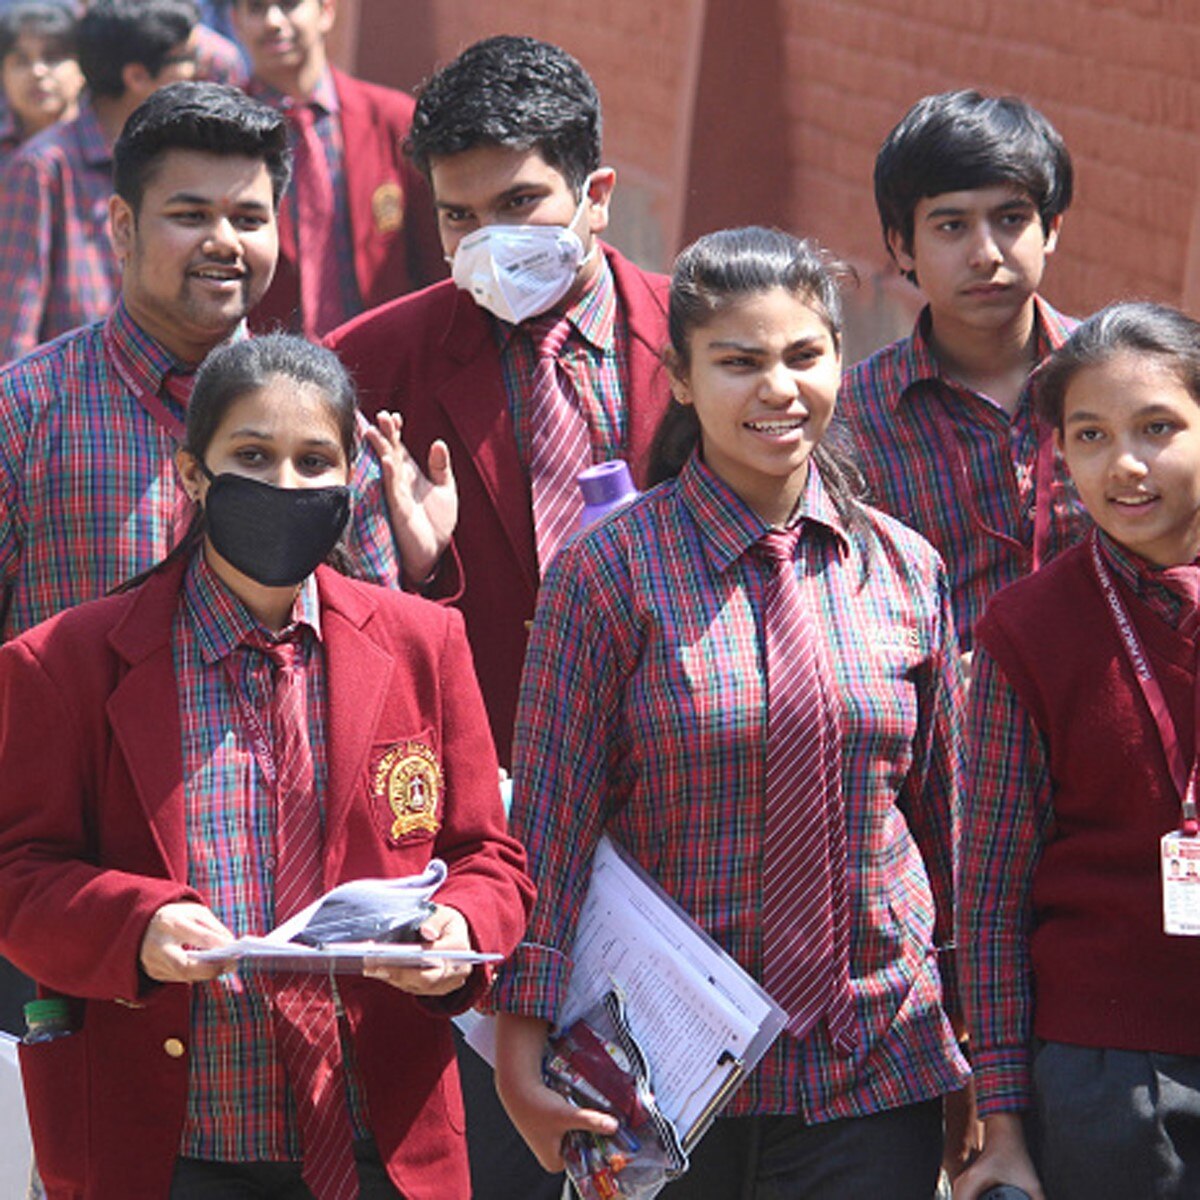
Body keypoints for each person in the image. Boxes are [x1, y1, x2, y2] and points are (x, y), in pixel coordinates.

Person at [492, 226, 969, 1199]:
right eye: (739, 362)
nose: (778, 389)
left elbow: (951, 832)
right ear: (679, 376)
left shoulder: (907, 571)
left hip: (876, 1066)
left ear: (839, 358)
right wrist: (520, 1049)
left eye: (804, 355)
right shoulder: (610, 575)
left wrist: (980, 1053)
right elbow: (548, 825)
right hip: (664, 1077)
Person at [0, 332, 534, 1200]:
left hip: (380, 1145)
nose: (286, 484)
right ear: (191, 474)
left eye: (314, 460)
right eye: (252, 455)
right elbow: (20, 877)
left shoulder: (422, 645)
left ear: (350, 478)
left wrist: (462, 935)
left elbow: (489, 858)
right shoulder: (64, 663)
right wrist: (137, 926)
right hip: (173, 1153)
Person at [956, 302, 1200, 1200]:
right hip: (1106, 1080)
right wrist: (1005, 1121)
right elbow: (990, 900)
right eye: (1090, 435)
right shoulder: (1028, 631)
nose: (1125, 465)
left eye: (1159, 428)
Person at [839, 90, 1091, 654]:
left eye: (1010, 219)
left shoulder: (1115, 378)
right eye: (951, 226)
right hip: (946, 730)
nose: (986, 254)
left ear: (1050, 230)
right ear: (902, 247)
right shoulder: (852, 417)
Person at [0, 0, 199, 364]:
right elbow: (14, 320)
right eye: (183, 59)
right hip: (66, 400)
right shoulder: (43, 167)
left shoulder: (167, 160)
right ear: (138, 77)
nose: (195, 71)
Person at [231, 0, 441, 340]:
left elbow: (435, 259)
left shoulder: (393, 121)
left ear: (326, 11)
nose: (272, 21)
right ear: (236, 22)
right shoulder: (220, 136)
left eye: (289, 4)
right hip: (267, 369)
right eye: (256, 8)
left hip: (387, 359)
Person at [0, 1, 83, 167]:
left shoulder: (111, 146)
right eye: (21, 61)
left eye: (52, 57)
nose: (37, 72)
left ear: (82, 67)